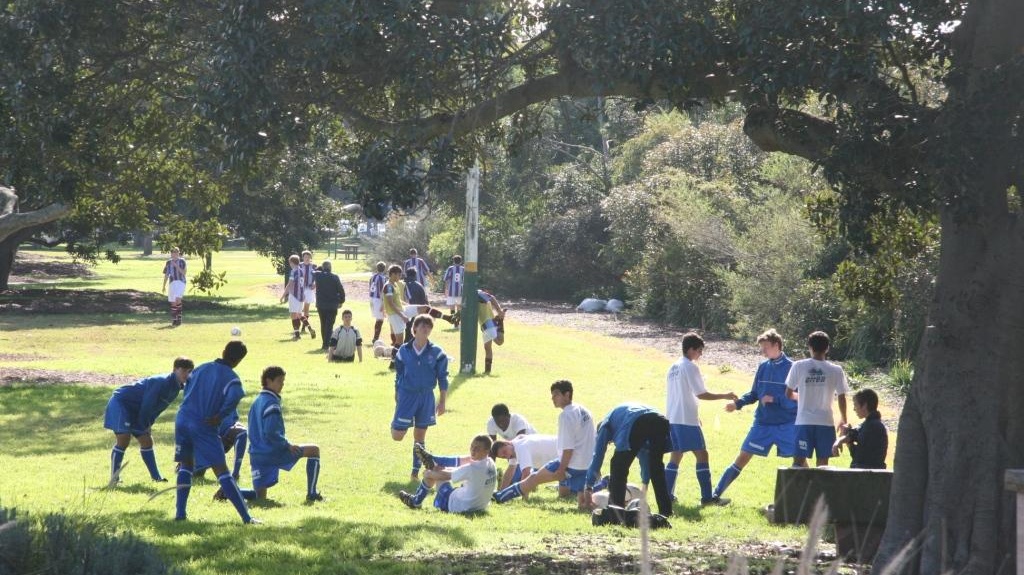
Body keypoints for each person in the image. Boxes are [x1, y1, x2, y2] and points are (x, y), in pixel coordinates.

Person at [173, 341, 256, 523]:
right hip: (203, 424)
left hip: (182, 419)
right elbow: (235, 396)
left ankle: (180, 514)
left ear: (223, 351)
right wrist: (220, 416)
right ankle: (247, 518)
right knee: (221, 470)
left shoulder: (201, 368)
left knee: (186, 465)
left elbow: (187, 387)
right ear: (239, 361)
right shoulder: (232, 378)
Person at [712, 329, 797, 501]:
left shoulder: (793, 368)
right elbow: (754, 394)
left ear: (777, 345)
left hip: (787, 425)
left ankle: (813, 499)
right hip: (762, 424)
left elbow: (798, 398)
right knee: (742, 458)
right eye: (761, 348)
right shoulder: (763, 367)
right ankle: (715, 495)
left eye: (765, 347)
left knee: (800, 461)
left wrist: (775, 399)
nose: (762, 351)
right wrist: (737, 404)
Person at [492, 380, 595, 508]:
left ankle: (499, 497)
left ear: (567, 395)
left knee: (533, 478)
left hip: (570, 463)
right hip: (586, 463)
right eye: (552, 395)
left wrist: (561, 470)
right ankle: (601, 485)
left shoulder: (565, 416)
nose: (553, 398)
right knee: (575, 500)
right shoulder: (585, 411)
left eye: (556, 394)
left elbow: (568, 448)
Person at [664, 332, 737, 506]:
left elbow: (682, 394)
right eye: (699, 350)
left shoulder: (673, 367)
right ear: (690, 349)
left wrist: (695, 417)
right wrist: (725, 395)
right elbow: (701, 394)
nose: (700, 354)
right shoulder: (690, 366)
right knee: (702, 454)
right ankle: (707, 498)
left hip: (672, 418)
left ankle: (666, 495)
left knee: (676, 456)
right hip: (685, 420)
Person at [104, 357, 194, 485]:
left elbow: (157, 408)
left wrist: (148, 424)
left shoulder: (176, 388)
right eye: (184, 371)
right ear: (174, 369)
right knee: (123, 439)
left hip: (137, 409)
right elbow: (147, 404)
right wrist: (144, 424)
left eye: (190, 371)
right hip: (121, 403)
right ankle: (114, 479)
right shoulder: (160, 381)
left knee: (146, 440)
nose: (187, 374)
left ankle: (156, 478)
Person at [248, 366, 324, 502]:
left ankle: (228, 491)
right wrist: (287, 445)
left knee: (260, 498)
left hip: (256, 455)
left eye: (283, 381)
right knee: (314, 450)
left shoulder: (257, 401)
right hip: (272, 453)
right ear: (268, 381)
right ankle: (312, 494)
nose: (282, 385)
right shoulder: (272, 403)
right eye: (279, 381)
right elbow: (271, 432)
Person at [583, 403, 673, 518]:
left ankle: (615, 511)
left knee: (618, 466)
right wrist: (645, 484)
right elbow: (645, 457)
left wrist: (589, 486)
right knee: (656, 467)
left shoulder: (605, 425)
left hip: (637, 422)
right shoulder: (620, 417)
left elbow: (598, 455)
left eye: (610, 441)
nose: (612, 442)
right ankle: (666, 511)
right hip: (660, 420)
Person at [391, 314, 449, 480]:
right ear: (414, 329)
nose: (425, 328)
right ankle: (396, 422)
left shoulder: (437, 353)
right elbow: (399, 373)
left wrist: (442, 402)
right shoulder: (404, 350)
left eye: (428, 326)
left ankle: (415, 473)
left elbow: (443, 378)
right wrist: (397, 391)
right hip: (407, 395)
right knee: (397, 436)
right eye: (422, 325)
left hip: (426, 397)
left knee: (420, 436)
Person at [785, 331, 850, 467]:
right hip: (826, 423)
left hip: (804, 422)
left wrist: (802, 397)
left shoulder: (798, 366)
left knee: (798, 462)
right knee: (823, 464)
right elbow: (842, 397)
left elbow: (788, 393)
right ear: (827, 348)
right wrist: (844, 419)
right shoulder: (836, 370)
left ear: (809, 347)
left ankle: (798, 482)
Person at [398, 434, 496, 513]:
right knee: (439, 471)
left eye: (477, 448)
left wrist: (429, 473)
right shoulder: (491, 463)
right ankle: (434, 462)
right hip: (480, 506)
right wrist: (441, 469)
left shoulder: (471, 468)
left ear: (486, 451)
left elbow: (446, 476)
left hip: (456, 506)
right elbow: (458, 471)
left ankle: (415, 501)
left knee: (434, 474)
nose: (473, 450)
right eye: (472, 446)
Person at [833, 388, 888, 469]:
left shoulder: (873, 426)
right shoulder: (870, 424)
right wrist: (839, 441)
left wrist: (847, 441)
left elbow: (860, 458)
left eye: (855, 405)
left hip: (867, 473)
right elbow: (853, 435)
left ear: (864, 405)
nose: (854, 409)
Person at [489, 434, 558, 490]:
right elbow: (509, 473)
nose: (507, 457)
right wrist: (501, 493)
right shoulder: (513, 447)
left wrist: (524, 497)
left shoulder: (521, 448)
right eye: (504, 457)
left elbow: (526, 473)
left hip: (561, 453)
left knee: (562, 493)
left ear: (507, 443)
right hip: (558, 453)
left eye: (505, 452)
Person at [403, 267, 455, 341]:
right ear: (415, 275)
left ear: (406, 274)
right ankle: (444, 317)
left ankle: (405, 342)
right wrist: (430, 310)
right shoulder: (419, 285)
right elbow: (425, 300)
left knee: (407, 331)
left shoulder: (403, 284)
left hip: (405, 309)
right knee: (415, 328)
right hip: (418, 311)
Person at [313, 260, 345, 349]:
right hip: (332, 304)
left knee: (323, 324)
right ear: (330, 268)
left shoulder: (317, 275)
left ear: (322, 267)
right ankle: (326, 344)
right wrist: (341, 301)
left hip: (321, 304)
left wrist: (319, 269)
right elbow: (341, 290)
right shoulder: (335, 277)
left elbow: (312, 270)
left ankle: (325, 343)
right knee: (329, 325)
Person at [280, 255, 310, 341]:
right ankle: (309, 327)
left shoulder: (294, 271)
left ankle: (297, 335)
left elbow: (290, 284)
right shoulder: (302, 271)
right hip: (301, 296)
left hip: (294, 295)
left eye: (290, 262)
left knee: (293, 315)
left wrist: (283, 295)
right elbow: (303, 284)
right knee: (299, 315)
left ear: (292, 262)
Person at [477, 289, 505, 374]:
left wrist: (499, 310)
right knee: (487, 348)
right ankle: (487, 371)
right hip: (484, 325)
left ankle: (500, 321)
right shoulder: (469, 296)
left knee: (499, 341)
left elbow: (492, 297)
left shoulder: (478, 293)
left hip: (488, 322)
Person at [382, 264, 410, 351]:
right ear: (393, 274)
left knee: (400, 340)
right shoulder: (388, 286)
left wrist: (406, 305)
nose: (400, 277)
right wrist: (402, 315)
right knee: (399, 340)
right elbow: (391, 303)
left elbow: (397, 300)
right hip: (394, 314)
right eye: (399, 274)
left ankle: (397, 356)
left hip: (398, 313)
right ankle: (394, 357)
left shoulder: (395, 284)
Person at [161, 247, 187, 327]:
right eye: (173, 252)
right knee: (173, 302)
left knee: (177, 299)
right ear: (171, 254)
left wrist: (176, 266)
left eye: (176, 252)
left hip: (181, 282)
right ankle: (174, 319)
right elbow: (166, 275)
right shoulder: (168, 262)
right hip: (172, 282)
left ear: (178, 253)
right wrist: (164, 285)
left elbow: (184, 273)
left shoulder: (182, 261)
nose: (174, 254)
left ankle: (179, 318)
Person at [298, 250, 318, 338]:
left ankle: (303, 327)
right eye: (305, 257)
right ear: (303, 257)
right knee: (299, 308)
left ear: (310, 258)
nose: (306, 258)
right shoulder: (299, 265)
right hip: (300, 289)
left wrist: (315, 284)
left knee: (306, 308)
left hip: (309, 289)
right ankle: (299, 326)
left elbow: (317, 277)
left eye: (308, 257)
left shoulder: (314, 266)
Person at [442, 255, 465, 325]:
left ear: (453, 261)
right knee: (459, 307)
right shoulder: (463, 269)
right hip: (460, 291)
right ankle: (458, 322)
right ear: (461, 261)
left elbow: (446, 279)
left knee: (452, 307)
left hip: (451, 291)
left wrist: (446, 289)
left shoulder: (450, 268)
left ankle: (454, 323)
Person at [369, 261, 388, 344]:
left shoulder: (372, 277)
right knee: (380, 319)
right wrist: (383, 303)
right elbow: (383, 291)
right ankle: (375, 338)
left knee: (378, 319)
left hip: (372, 298)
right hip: (378, 299)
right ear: (384, 269)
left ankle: (376, 337)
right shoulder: (383, 278)